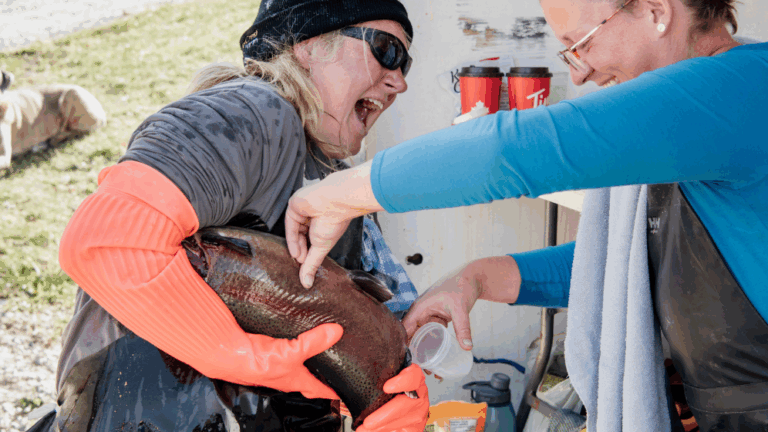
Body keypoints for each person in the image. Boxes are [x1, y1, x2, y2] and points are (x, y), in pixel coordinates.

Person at [284, 0, 768, 430]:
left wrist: (342, 192)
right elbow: (622, 266)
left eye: (579, 44)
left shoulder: (746, 89)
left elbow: (514, 151)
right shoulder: (699, 125)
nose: (577, 74)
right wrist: (474, 279)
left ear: (657, 10)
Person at [41, 1, 430, 431]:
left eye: (405, 64)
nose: (399, 82)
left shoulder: (331, 179)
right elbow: (105, 240)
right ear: (309, 45)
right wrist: (246, 359)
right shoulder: (255, 112)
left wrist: (382, 399)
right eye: (387, 50)